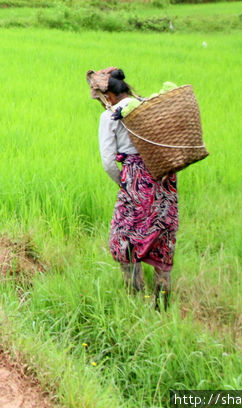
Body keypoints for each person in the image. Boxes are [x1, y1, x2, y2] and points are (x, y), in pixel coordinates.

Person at [87, 67, 179, 309]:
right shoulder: (148, 105)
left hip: (136, 180)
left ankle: (134, 297)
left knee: (124, 236)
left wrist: (124, 182)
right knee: (162, 233)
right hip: (164, 177)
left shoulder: (110, 116)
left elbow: (108, 162)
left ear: (107, 95)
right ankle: (162, 302)